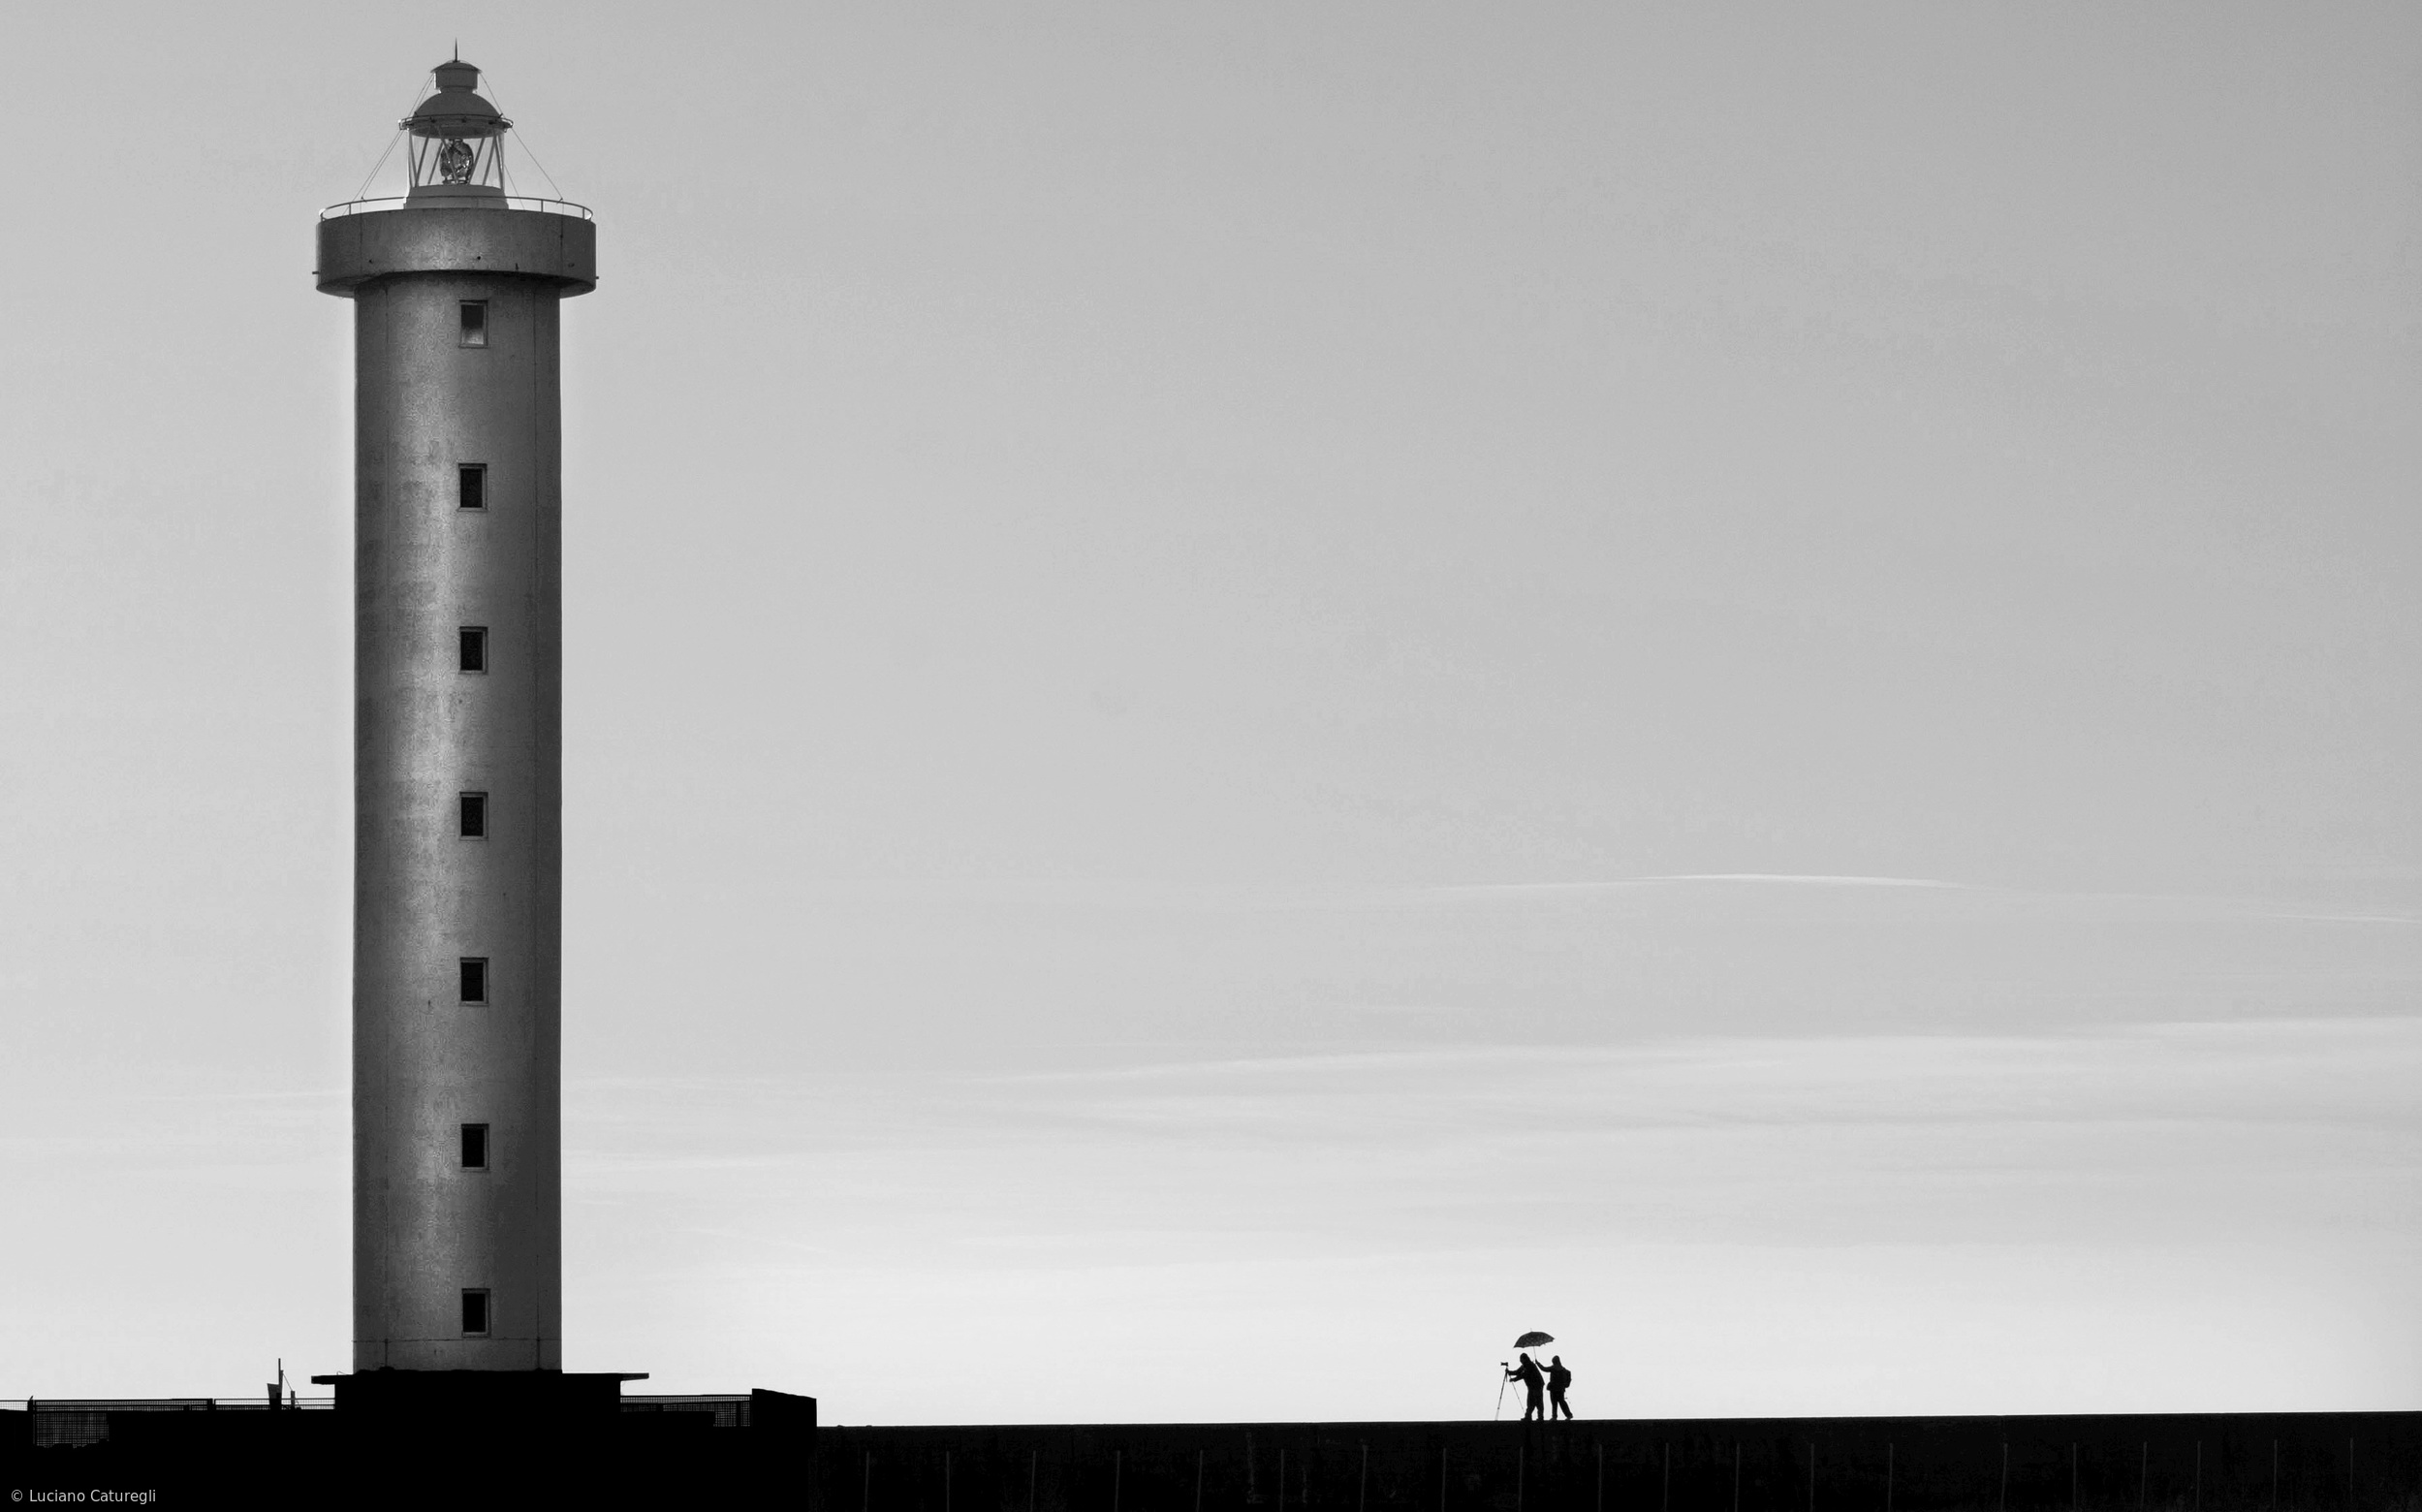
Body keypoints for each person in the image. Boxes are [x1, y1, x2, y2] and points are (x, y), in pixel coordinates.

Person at [1506, 1353, 1546, 1422]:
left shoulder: (1530, 1365)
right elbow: (1518, 1372)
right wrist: (1510, 1372)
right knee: (1531, 1401)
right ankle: (1529, 1416)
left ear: (1524, 1359)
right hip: (1532, 1386)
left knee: (1537, 1401)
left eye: (1521, 1359)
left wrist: (1514, 1379)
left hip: (1537, 1385)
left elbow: (1524, 1375)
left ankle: (1538, 1417)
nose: (1520, 1361)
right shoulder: (1525, 1365)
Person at [1546, 1355, 1573, 1421]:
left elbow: (1544, 1369)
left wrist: (1538, 1364)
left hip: (1553, 1389)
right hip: (1561, 1389)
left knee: (1554, 1403)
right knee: (1562, 1402)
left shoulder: (1553, 1368)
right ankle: (1569, 1415)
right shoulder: (1563, 1369)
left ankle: (1554, 1417)